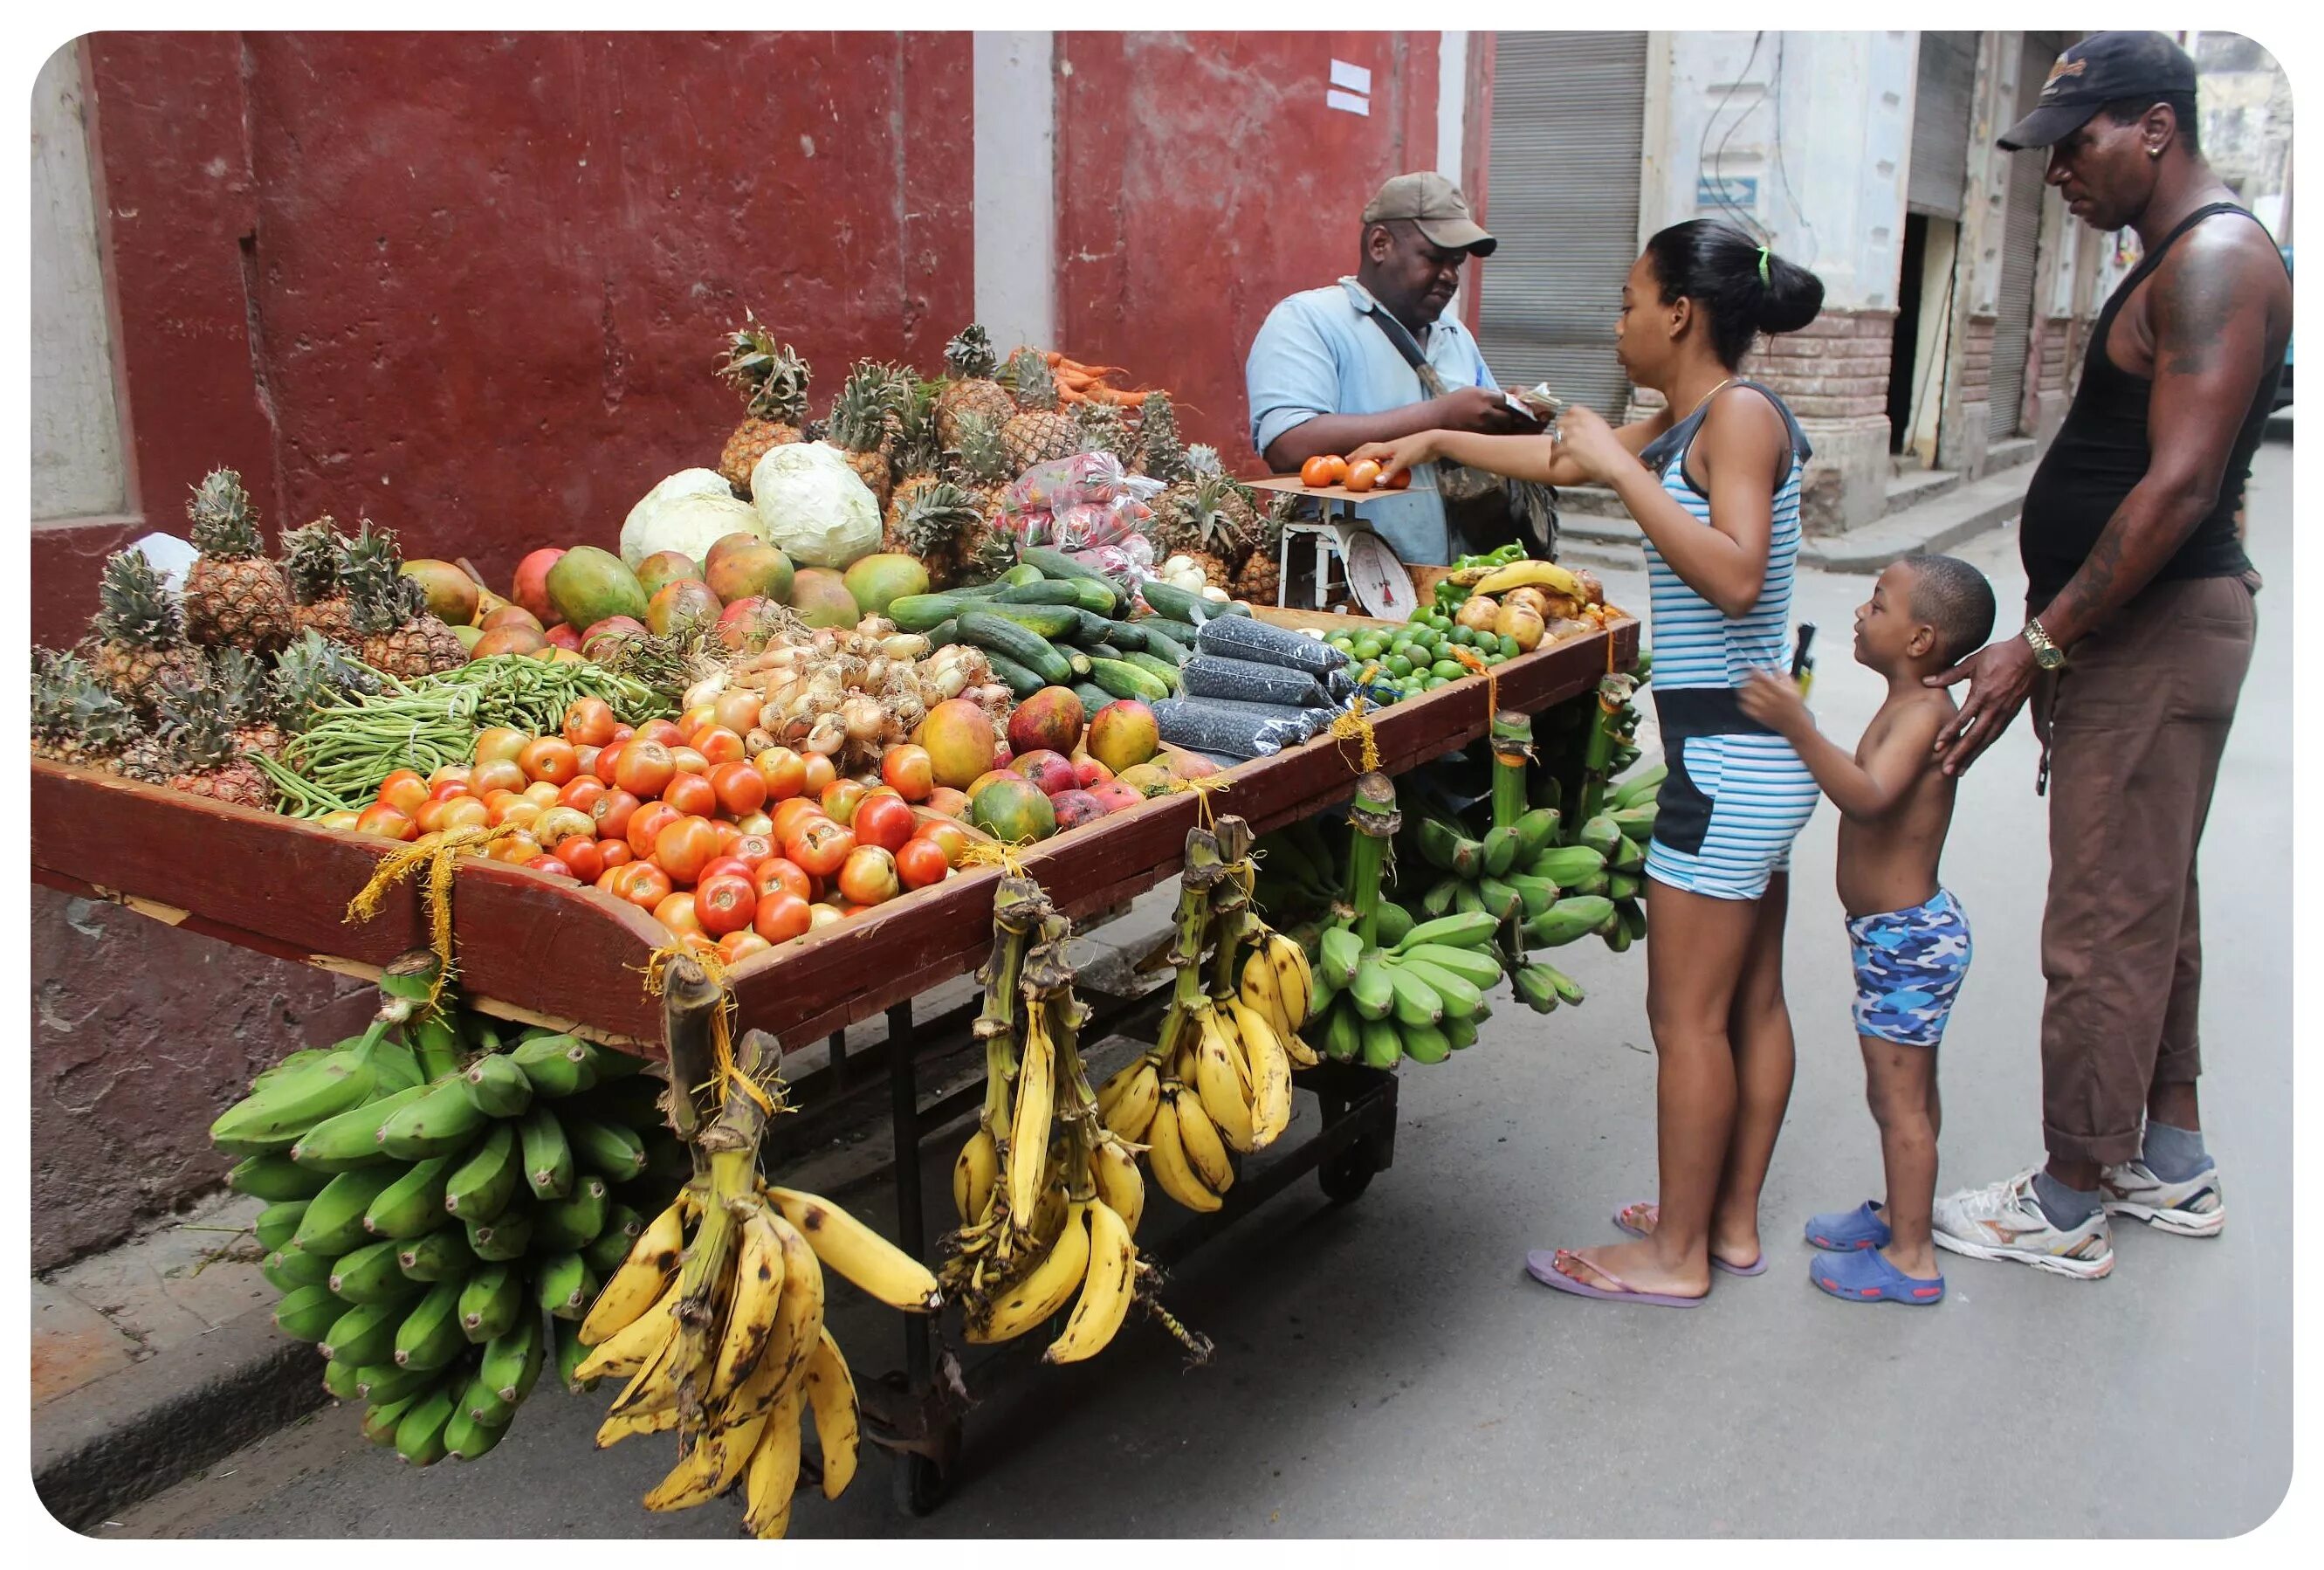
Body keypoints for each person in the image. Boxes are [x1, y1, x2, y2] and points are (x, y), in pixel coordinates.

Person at [1353, 218, 1826, 1305]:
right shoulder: (1695, 418)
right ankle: (1729, 1223)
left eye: (1626, 302)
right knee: (1749, 1001)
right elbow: (1561, 455)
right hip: (1755, 750)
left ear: (1678, 314)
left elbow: (1740, 577)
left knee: (1688, 1019)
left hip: (1727, 756)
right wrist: (1435, 443)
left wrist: (1622, 464)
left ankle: (1675, 1258)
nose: (1615, 323)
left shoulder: (1739, 419)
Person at [1919, 32, 2291, 1277]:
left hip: (2155, 635)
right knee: (2149, 905)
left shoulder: (2218, 260)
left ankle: (2069, 1196)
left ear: (2152, 128)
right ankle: (2166, 1159)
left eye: (2072, 144)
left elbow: (2179, 485)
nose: (2053, 173)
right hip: (2139, 640)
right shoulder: (2175, 261)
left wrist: (2039, 642)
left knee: (2096, 928)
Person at [1736, 555, 1997, 1306]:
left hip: (1908, 943)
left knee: (1899, 1101)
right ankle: (1901, 1212)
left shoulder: (1922, 715)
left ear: (1920, 640)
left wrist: (1797, 724)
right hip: (1899, 938)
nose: (1860, 613)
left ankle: (1912, 1258)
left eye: (1877, 605)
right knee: (1910, 1090)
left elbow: (1870, 796)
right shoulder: (1905, 705)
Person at [1244, 171, 1548, 565]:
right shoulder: (1308, 320)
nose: (1450, 276)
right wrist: (1440, 417)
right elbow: (1287, 444)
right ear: (1380, 244)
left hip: (1459, 589)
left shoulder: (1454, 335)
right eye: (1435, 259)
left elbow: (1484, 440)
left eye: (1457, 264)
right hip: (1348, 586)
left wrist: (1511, 416)